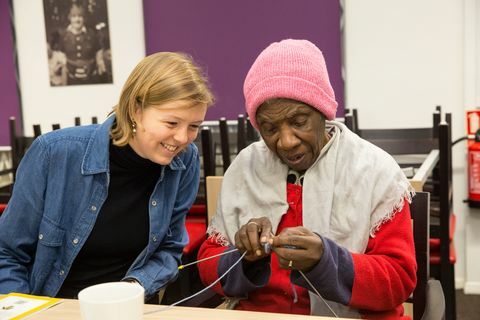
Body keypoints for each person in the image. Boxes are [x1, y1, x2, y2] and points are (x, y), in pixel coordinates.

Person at [198, 39, 416, 319]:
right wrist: (244, 258)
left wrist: (327, 261)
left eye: (299, 121)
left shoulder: (373, 170)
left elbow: (398, 281)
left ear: (323, 113)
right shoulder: (245, 167)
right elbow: (207, 262)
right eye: (270, 128)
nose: (286, 142)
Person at [0, 51, 214, 299]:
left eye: (194, 126)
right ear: (136, 110)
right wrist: (26, 312)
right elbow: (7, 252)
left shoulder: (184, 161)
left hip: (128, 306)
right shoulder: (54, 153)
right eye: (171, 123)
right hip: (51, 306)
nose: (182, 138)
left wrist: (133, 288)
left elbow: (169, 249)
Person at [59, 3, 106, 85]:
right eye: (74, 16)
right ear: (70, 18)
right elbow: (61, 54)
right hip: (71, 80)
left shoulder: (92, 34)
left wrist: (100, 64)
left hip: (91, 79)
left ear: (84, 18)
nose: (77, 20)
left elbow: (98, 51)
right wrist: (64, 67)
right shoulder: (64, 36)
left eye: (80, 16)